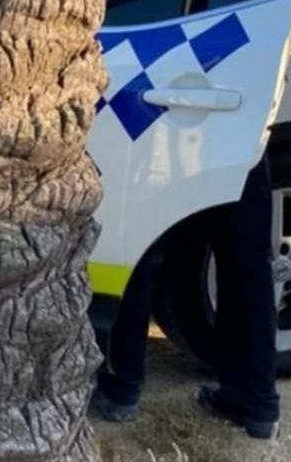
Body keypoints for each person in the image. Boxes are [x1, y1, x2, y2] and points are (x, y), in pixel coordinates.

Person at [92, 153, 281, 440]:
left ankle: (120, 388)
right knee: (246, 257)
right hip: (237, 127)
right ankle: (255, 401)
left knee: (129, 242)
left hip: (156, 126)